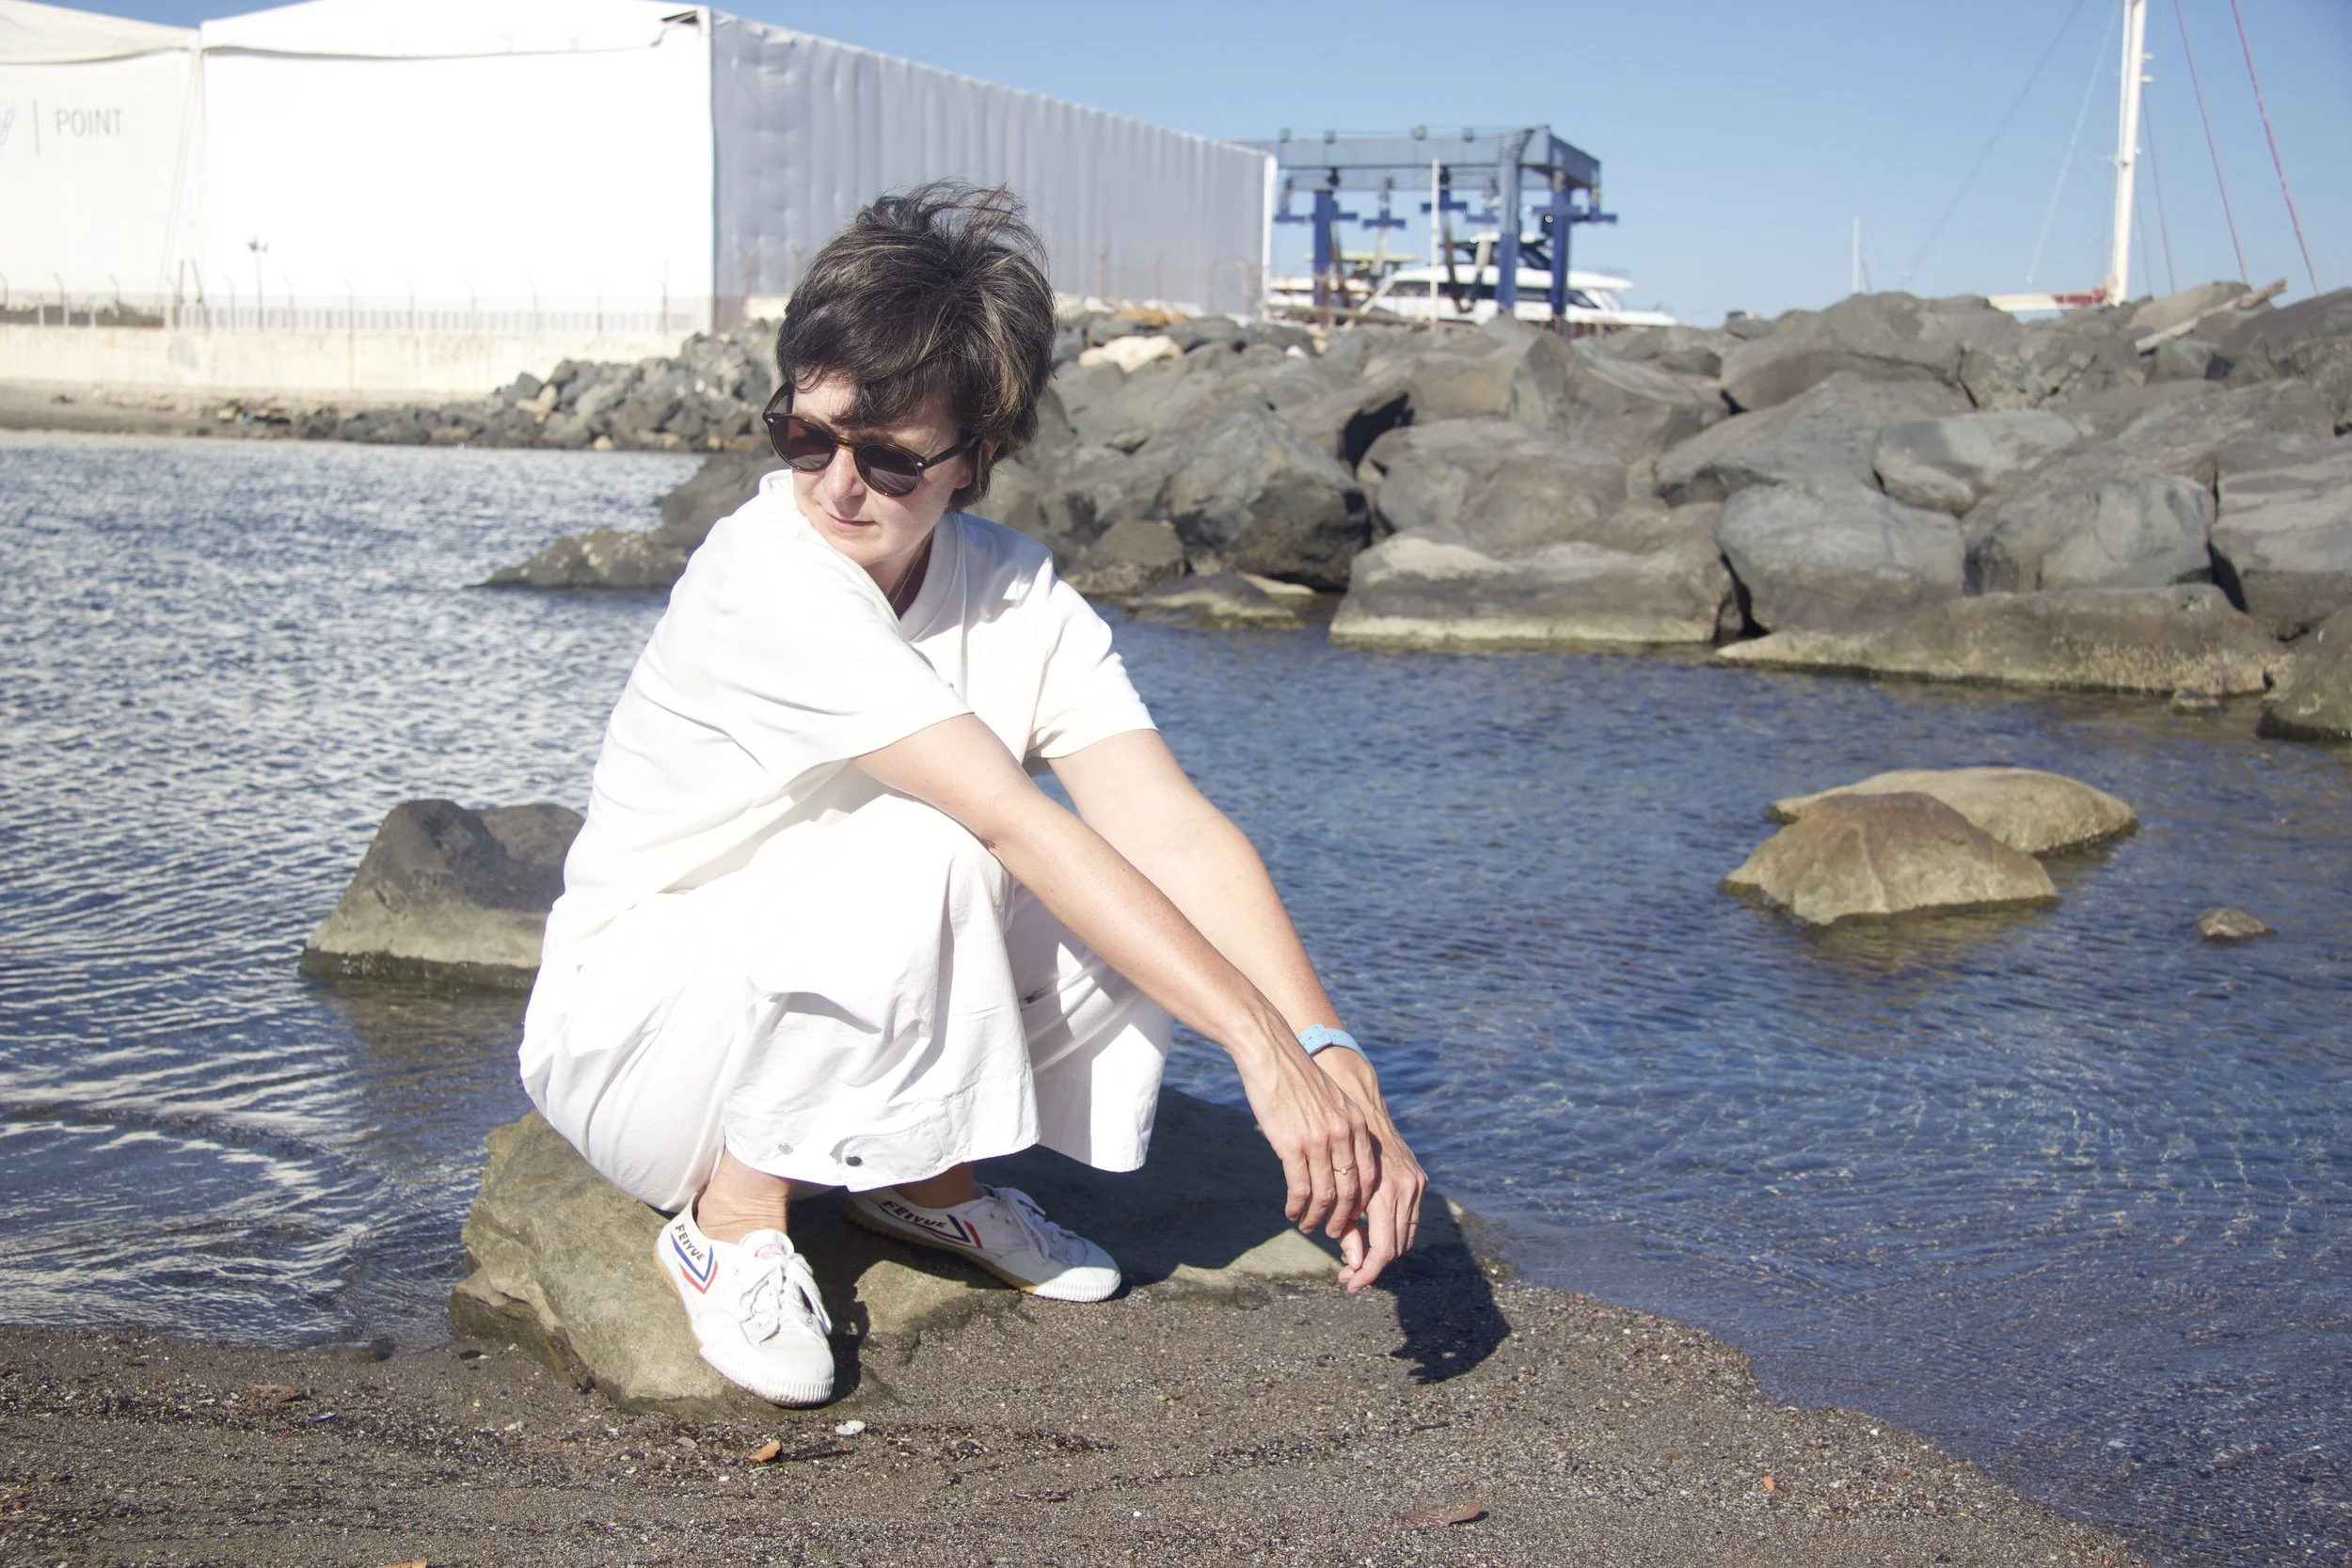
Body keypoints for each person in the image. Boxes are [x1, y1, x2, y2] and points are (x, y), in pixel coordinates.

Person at [518, 182, 1426, 1407]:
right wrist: (1256, 1048)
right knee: (947, 837)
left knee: (1125, 885)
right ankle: (729, 1221)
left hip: (794, 1002)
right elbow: (1006, 815)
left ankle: (918, 1177)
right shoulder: (763, 576)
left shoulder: (1012, 586)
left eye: (889, 457)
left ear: (977, 460)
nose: (837, 485)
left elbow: (1168, 825)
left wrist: (1323, 1046)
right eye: (806, 435)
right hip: (642, 1046)